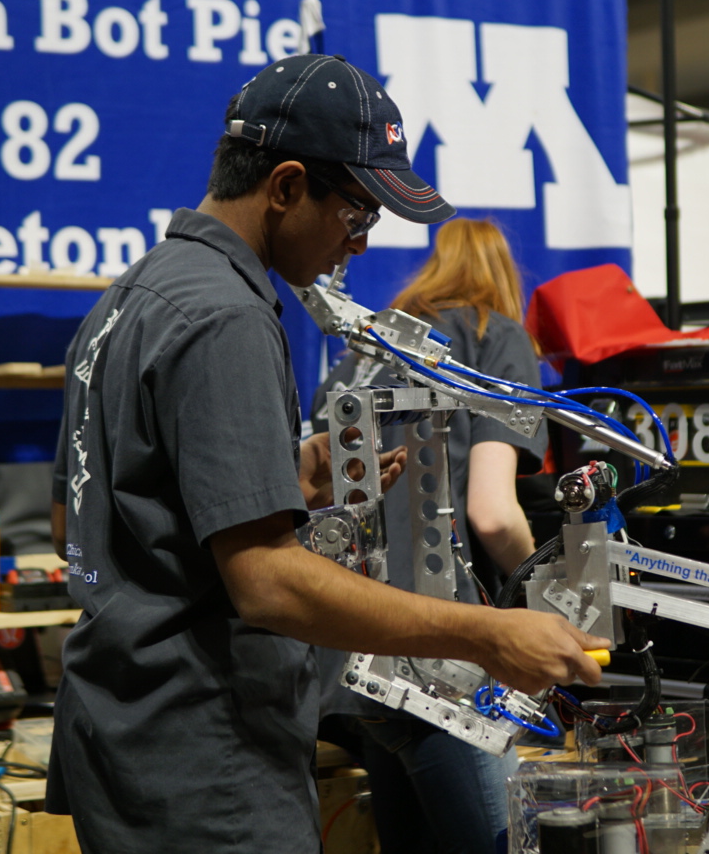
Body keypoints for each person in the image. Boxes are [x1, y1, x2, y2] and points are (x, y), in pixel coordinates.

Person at [46, 54, 607, 854]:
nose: (359, 244)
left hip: (123, 733)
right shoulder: (226, 316)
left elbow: (82, 514)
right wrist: (486, 633)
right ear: (284, 187)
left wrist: (276, 483)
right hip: (208, 759)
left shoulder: (128, 299)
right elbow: (268, 586)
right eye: (356, 214)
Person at [311, 217, 545, 854]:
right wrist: (547, 609)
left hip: (347, 656)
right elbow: (493, 513)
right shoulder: (496, 336)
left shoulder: (362, 354)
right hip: (439, 660)